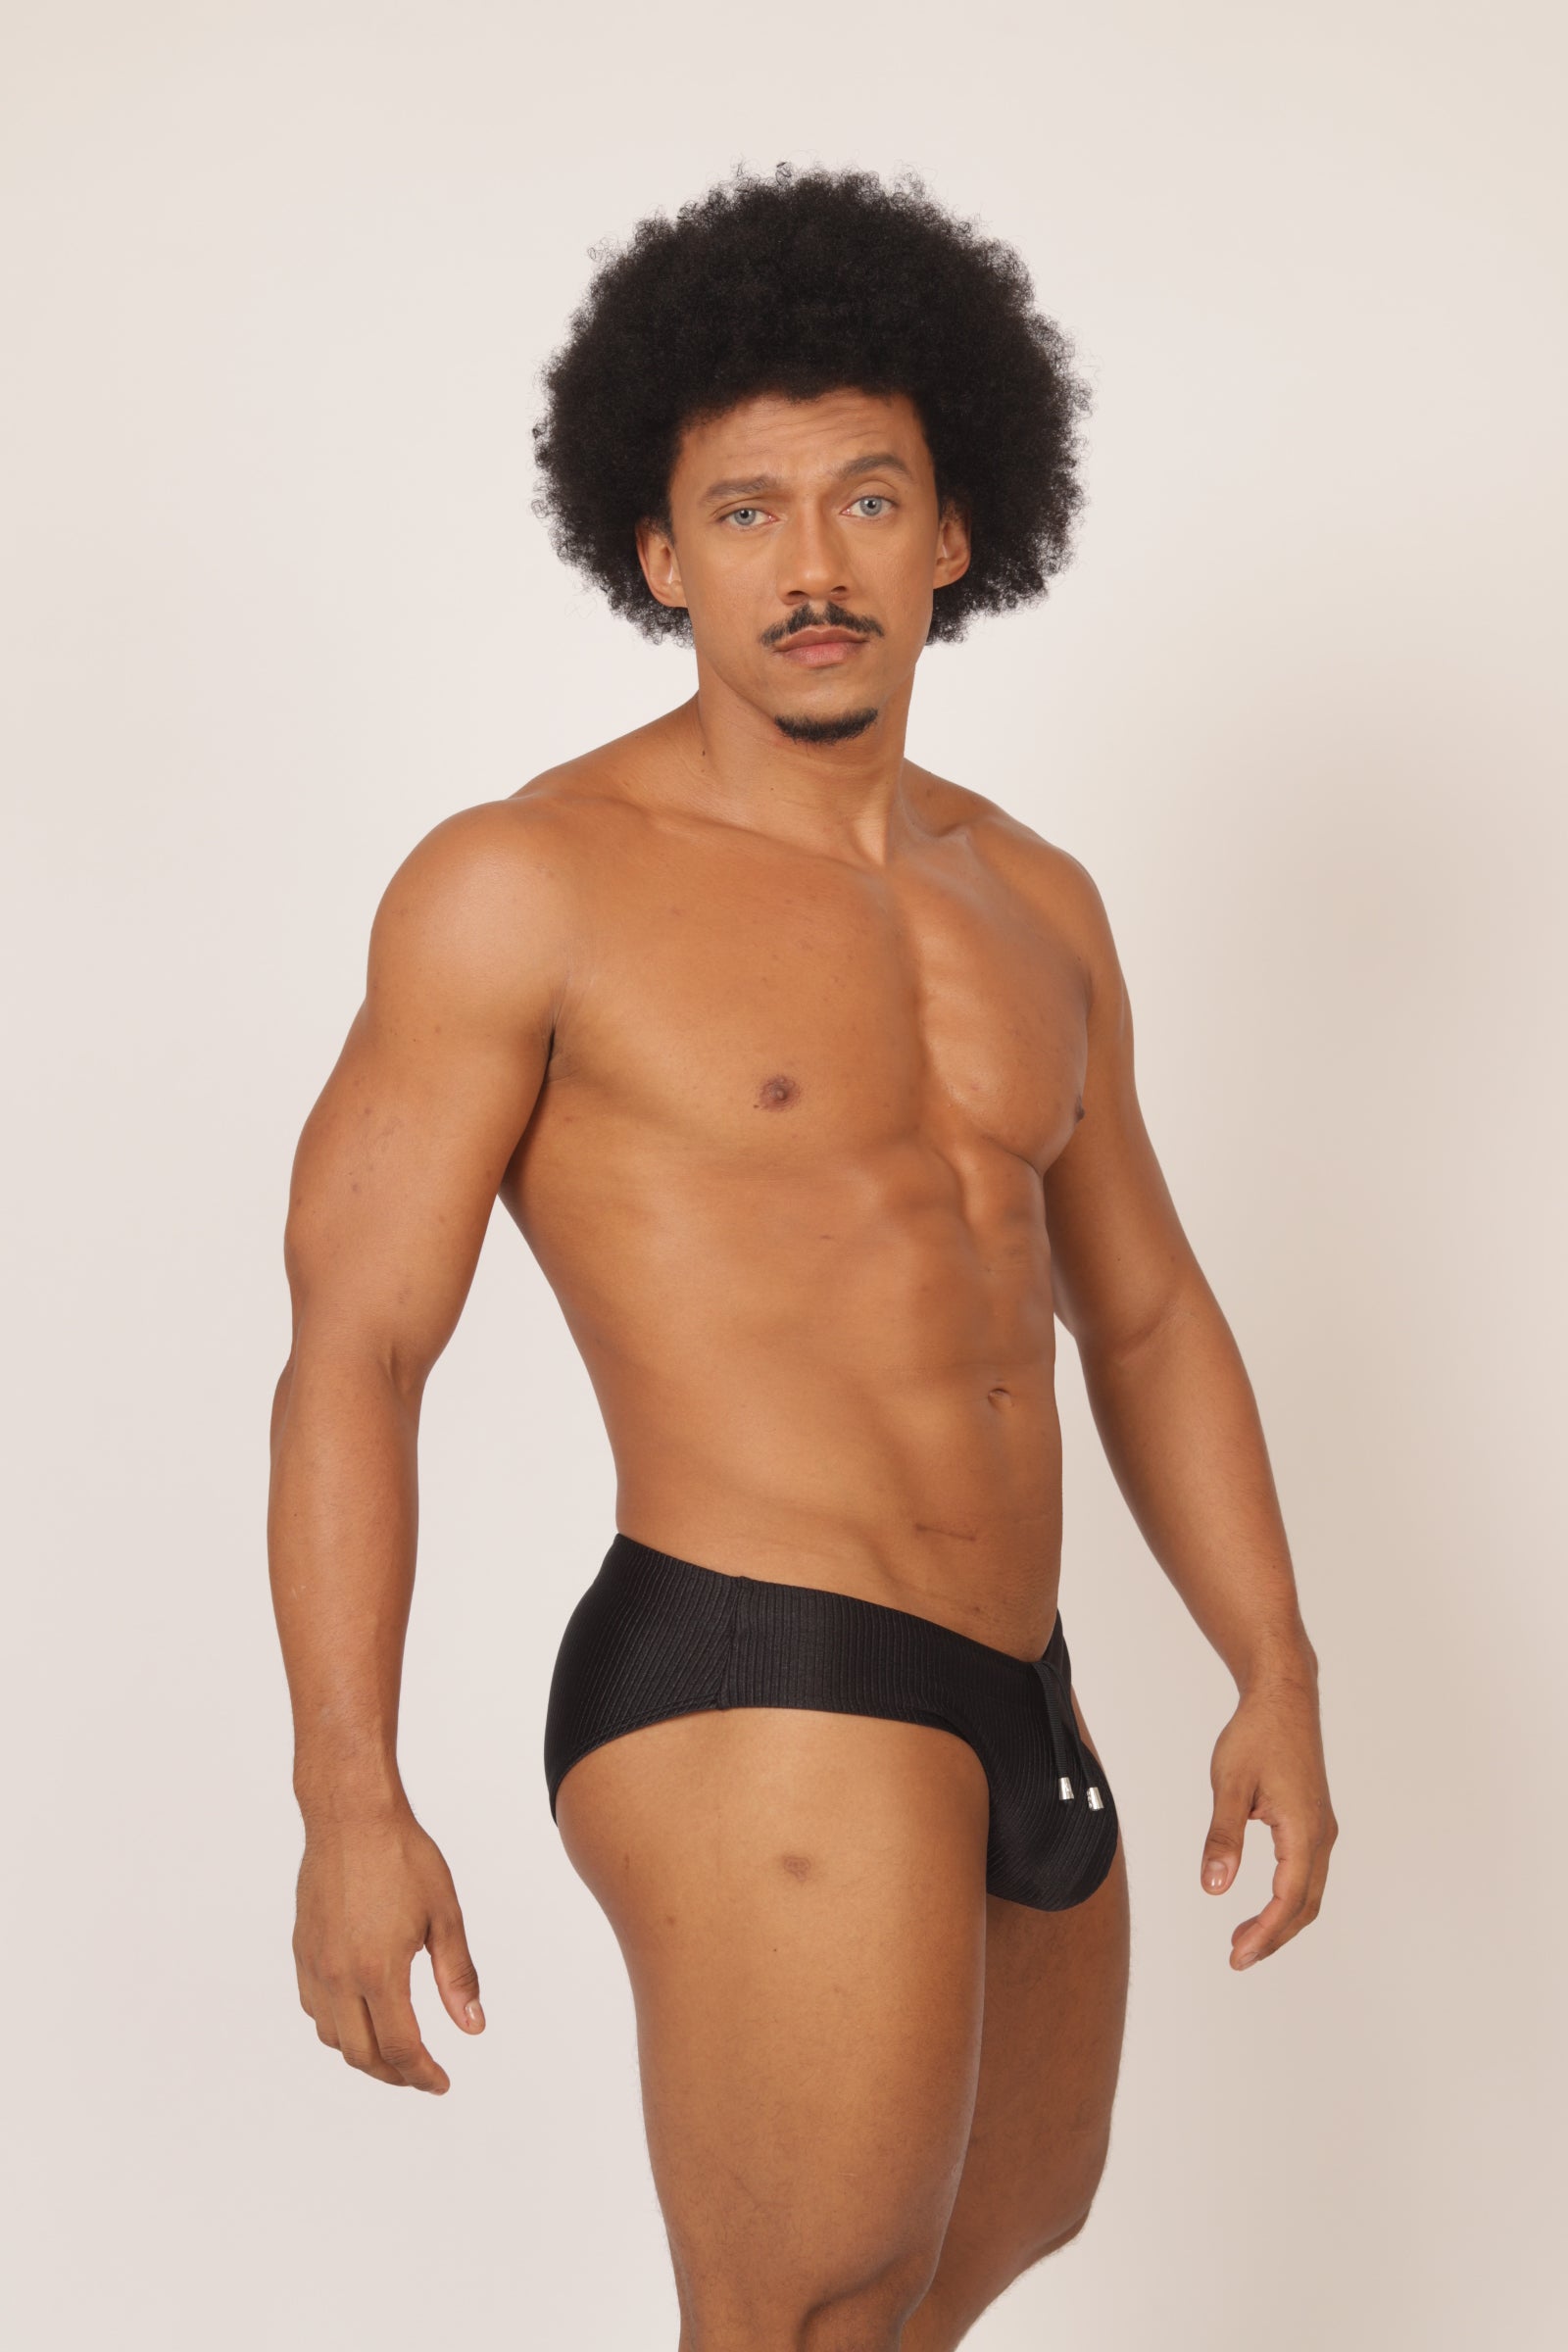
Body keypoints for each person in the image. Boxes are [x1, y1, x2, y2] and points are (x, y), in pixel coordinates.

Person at [269, 166, 1337, 2351]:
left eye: (865, 500)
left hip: (1014, 1684)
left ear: (954, 531)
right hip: (753, 1655)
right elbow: (356, 1348)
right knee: (809, 2308)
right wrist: (348, 1797)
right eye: (745, 513)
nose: (813, 567)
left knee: (985, 2251)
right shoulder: (523, 885)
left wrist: (1274, 1665)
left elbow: (1141, 1312)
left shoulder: (1031, 902)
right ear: (659, 555)